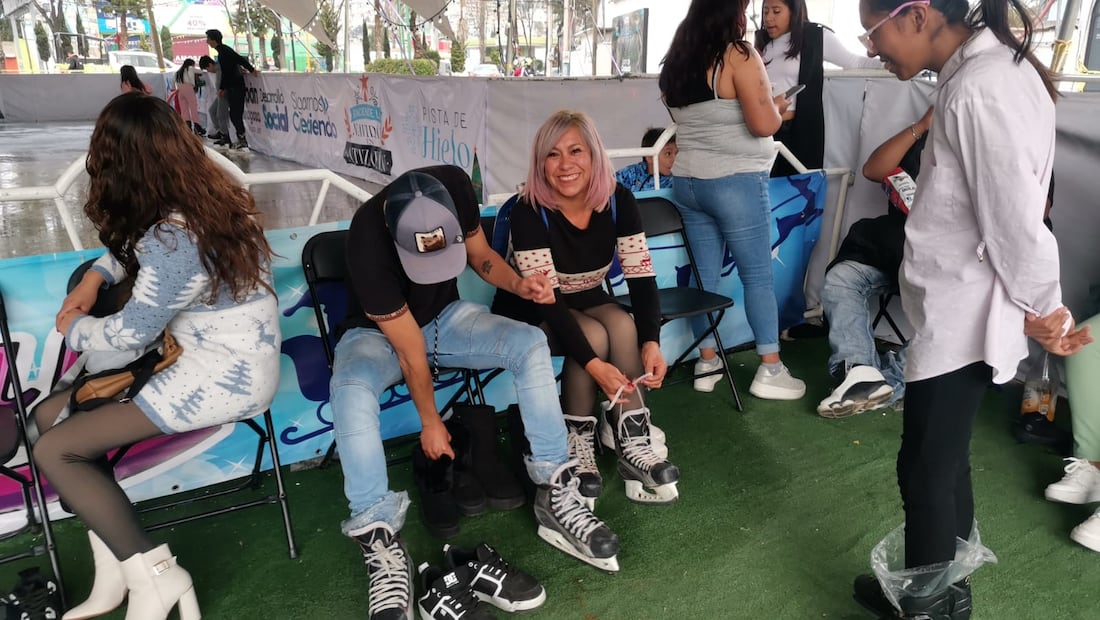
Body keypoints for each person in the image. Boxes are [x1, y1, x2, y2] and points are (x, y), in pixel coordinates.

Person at [850, 1, 1092, 618]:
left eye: (872, 33)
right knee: (942, 457)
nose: (872, 48)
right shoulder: (979, 71)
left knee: (926, 463)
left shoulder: (982, 84)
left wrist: (1046, 309)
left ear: (916, 14)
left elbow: (1015, 218)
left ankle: (929, 605)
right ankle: (939, 590)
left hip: (969, 307)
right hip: (959, 299)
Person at [32, 93, 279, 620]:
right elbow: (134, 250)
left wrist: (74, 328)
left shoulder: (173, 237)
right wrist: (97, 275)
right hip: (210, 360)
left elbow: (129, 333)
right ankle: (120, 573)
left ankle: (154, 574)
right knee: (47, 418)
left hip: (218, 376)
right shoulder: (209, 200)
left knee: (56, 450)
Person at [333, 165, 620, 618]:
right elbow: (410, 353)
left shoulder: (454, 185)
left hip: (446, 319)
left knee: (530, 343)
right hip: (378, 335)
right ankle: (381, 542)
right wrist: (431, 422)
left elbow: (482, 256)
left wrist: (518, 283)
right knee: (349, 390)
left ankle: (553, 491)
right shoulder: (366, 238)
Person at [492, 111, 678, 506]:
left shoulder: (617, 200)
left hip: (588, 295)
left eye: (575, 151)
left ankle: (632, 439)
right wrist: (596, 367)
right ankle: (576, 444)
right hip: (533, 306)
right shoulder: (529, 210)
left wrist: (652, 341)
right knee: (593, 336)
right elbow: (552, 302)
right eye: (552, 154)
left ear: (593, 154)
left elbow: (641, 276)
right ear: (540, 162)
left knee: (624, 326)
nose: (565, 165)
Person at [658, 0, 807, 401]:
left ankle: (707, 362)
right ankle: (770, 369)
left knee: (705, 279)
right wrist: (775, 110)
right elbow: (762, 126)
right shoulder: (739, 54)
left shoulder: (677, 61)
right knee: (757, 275)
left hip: (688, 182)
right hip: (735, 180)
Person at [816, 106, 931, 418]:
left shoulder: (997, 144)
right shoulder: (926, 137)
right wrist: (922, 125)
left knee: (957, 310)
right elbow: (873, 169)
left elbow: (1035, 210)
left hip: (952, 264)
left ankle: (889, 384)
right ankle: (860, 371)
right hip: (895, 250)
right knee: (842, 278)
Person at [756, 0, 882, 177]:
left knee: (793, 193)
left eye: (776, 11)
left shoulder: (815, 36)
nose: (768, 18)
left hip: (796, 132)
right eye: (765, 11)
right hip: (764, 134)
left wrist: (890, 64)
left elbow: (853, 62)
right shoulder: (764, 44)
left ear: (794, 12)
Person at [205, 29, 258, 150]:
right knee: (234, 114)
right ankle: (240, 139)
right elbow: (236, 62)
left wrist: (251, 70)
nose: (207, 41)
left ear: (213, 40)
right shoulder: (223, 51)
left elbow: (229, 70)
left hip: (236, 86)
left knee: (235, 114)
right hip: (233, 86)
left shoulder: (224, 51)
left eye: (208, 39)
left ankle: (242, 140)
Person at [614, 127, 678, 192]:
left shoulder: (678, 181)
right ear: (650, 157)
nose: (675, 159)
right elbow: (608, 185)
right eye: (668, 154)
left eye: (677, 153)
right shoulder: (632, 173)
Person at [198, 55, 231, 147]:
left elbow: (224, 81)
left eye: (207, 69)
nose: (208, 71)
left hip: (224, 94)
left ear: (210, 64)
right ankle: (220, 131)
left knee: (220, 115)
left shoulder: (221, 68)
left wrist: (222, 89)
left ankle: (225, 136)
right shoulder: (217, 70)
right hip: (220, 94)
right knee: (212, 111)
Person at [174, 59, 205, 136]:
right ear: (191, 64)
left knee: (184, 110)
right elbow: (202, 72)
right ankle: (197, 127)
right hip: (188, 88)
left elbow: (172, 86)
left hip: (179, 90)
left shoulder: (177, 72)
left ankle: (188, 127)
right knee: (193, 108)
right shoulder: (190, 68)